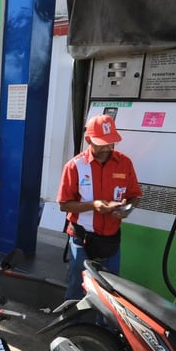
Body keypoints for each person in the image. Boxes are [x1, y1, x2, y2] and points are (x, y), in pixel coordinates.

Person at [58, 113, 142, 299]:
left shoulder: (124, 163)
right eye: (101, 142)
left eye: (110, 142)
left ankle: (103, 327)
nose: (106, 147)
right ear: (88, 139)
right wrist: (93, 205)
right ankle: (73, 327)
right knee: (76, 288)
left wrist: (126, 209)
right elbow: (64, 205)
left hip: (111, 241)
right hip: (82, 240)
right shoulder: (75, 166)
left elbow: (135, 195)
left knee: (111, 292)